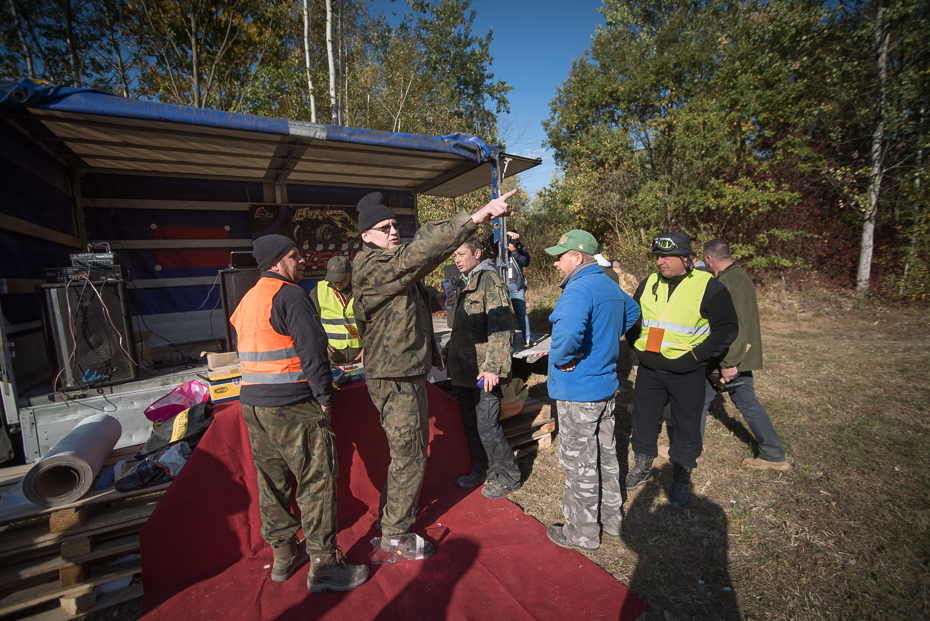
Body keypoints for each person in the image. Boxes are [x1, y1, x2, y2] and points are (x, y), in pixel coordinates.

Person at [352, 189, 517, 556]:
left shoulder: (389, 266)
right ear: (366, 236)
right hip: (394, 376)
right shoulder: (373, 264)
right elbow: (418, 254)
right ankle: (394, 532)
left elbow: (407, 293)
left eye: (394, 225)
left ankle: (394, 520)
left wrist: (437, 300)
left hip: (405, 371)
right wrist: (475, 217)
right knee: (410, 454)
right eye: (383, 227)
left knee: (411, 451)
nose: (393, 231)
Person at [230, 234, 368, 593]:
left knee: (272, 483)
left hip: (254, 406)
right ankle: (323, 566)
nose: (302, 261)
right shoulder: (290, 295)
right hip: (292, 406)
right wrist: (324, 398)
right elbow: (313, 352)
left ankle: (283, 556)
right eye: (295, 256)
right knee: (316, 481)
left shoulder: (248, 299)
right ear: (277, 263)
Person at [625, 232, 738, 510]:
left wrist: (697, 356)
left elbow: (727, 328)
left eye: (666, 257)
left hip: (687, 371)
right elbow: (635, 318)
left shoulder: (707, 286)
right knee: (643, 418)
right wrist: (637, 348)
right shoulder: (649, 282)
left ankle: (680, 478)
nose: (659, 262)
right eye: (657, 257)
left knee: (687, 425)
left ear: (687, 259)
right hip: (650, 369)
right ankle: (642, 465)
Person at [543, 229, 640, 551]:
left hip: (578, 391)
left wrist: (562, 358)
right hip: (604, 387)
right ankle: (612, 520)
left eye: (560, 256)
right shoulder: (607, 284)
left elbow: (566, 335)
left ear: (578, 257)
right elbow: (634, 312)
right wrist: (605, 340)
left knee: (579, 464)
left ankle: (582, 533)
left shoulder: (578, 289)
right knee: (606, 455)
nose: (556, 263)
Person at [701, 239, 791, 471]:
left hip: (732, 359)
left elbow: (735, 326)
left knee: (703, 401)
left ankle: (688, 449)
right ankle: (773, 452)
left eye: (705, 260)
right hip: (736, 357)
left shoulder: (731, 282)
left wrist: (729, 363)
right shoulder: (736, 277)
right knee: (740, 401)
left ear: (709, 259)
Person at [443, 236, 520, 499]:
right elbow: (462, 328)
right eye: (454, 255)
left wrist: (492, 368)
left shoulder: (490, 282)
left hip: (483, 372)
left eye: (461, 254)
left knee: (487, 425)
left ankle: (508, 475)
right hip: (465, 370)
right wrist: (447, 351)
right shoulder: (464, 283)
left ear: (477, 253)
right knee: (471, 424)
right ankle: (481, 469)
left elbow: (502, 329)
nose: (457, 259)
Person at [309, 255, 363, 365]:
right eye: (334, 279)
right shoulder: (318, 291)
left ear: (350, 272)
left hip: (360, 356)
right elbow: (308, 322)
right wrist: (319, 343)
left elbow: (375, 322)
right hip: (331, 358)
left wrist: (369, 347)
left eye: (342, 277)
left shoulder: (362, 289)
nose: (338, 282)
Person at [506, 231, 532, 346]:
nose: (514, 242)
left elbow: (526, 262)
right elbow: (492, 236)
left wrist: (515, 252)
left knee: (521, 312)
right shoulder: (501, 249)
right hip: (503, 285)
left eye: (515, 240)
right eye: (512, 240)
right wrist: (507, 234)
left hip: (516, 285)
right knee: (504, 313)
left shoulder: (520, 249)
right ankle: (510, 338)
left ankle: (527, 338)